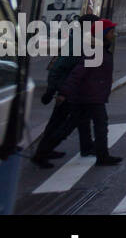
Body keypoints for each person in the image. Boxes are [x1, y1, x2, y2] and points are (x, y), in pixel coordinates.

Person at [32, 19, 121, 168]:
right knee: (85, 125)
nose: (114, 35)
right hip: (87, 94)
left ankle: (95, 153)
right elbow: (77, 73)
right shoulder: (92, 49)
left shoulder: (101, 47)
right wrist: (61, 92)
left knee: (79, 125)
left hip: (90, 93)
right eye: (111, 32)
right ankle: (43, 153)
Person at [30, 41, 93, 166]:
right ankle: (42, 152)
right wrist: (53, 90)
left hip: (74, 91)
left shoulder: (83, 43)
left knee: (80, 120)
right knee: (63, 124)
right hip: (68, 91)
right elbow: (58, 68)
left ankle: (86, 147)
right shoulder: (77, 45)